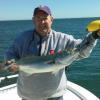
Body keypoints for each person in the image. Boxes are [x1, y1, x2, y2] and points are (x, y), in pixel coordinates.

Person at [4, 5, 100, 100]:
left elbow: (81, 51)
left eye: (45, 18)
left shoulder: (63, 39)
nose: (42, 22)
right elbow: (11, 53)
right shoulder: (22, 38)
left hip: (55, 96)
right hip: (28, 96)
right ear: (33, 20)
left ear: (51, 19)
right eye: (38, 18)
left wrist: (94, 36)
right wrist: (10, 63)